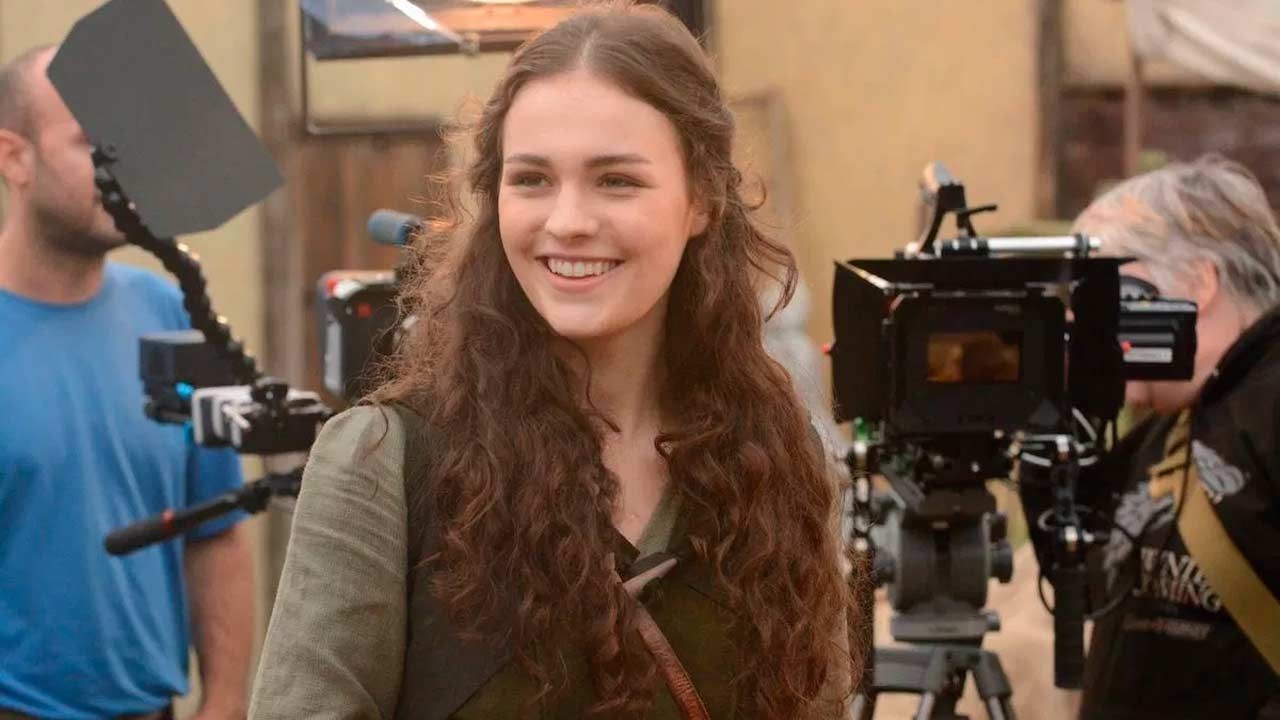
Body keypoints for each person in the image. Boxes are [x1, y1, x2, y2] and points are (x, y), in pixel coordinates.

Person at [249, 4, 864, 719]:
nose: (567, 221)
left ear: (700, 200)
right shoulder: (385, 464)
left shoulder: (776, 460)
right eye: (532, 179)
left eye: (616, 180)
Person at [0, 46, 254, 719]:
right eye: (93, 144)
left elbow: (217, 527)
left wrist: (226, 702)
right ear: (13, 158)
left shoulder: (173, 315)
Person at [1072, 155, 1280, 719]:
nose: (1091, 325)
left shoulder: (1266, 403)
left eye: (1108, 294)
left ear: (1197, 283)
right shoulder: (1171, 423)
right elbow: (1088, 590)